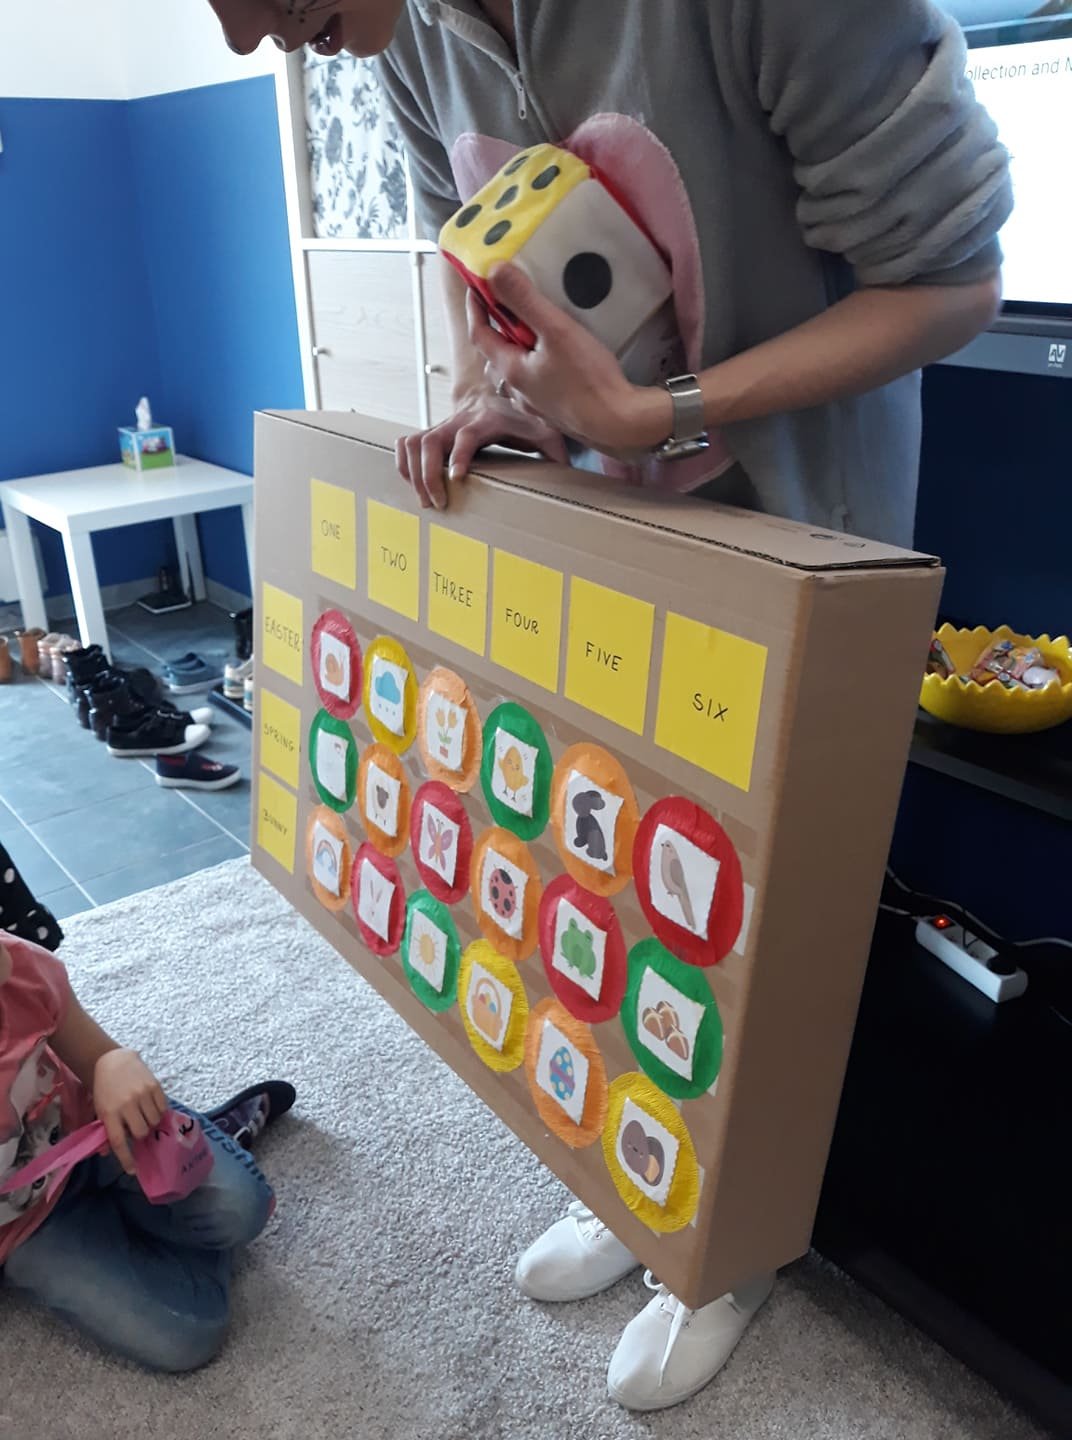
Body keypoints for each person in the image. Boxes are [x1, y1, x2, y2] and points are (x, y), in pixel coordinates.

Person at [209, 0, 1013, 1411]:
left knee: (757, 920)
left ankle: (723, 1249)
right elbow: (480, 275)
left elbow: (953, 282)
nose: (243, 41)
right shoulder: (400, 32)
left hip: (793, 536)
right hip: (596, 537)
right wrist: (488, 396)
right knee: (601, 872)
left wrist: (661, 414)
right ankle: (639, 1179)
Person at [0, 927, 295, 1371]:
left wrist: (115, 1066)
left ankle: (158, 1186)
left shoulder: (20, 967)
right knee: (186, 1336)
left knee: (241, 1207)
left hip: (96, 1136)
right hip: (28, 1229)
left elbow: (99, 1057)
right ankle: (178, 1173)